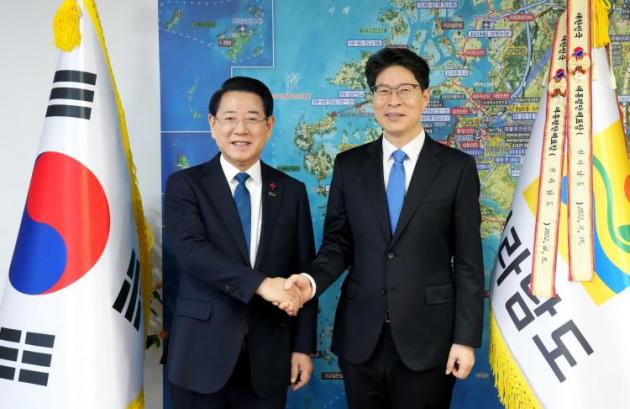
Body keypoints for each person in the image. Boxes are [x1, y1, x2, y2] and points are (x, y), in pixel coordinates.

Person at [284, 47, 484, 408]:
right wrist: (310, 282)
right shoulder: (349, 166)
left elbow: (469, 261)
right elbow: (339, 244)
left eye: (405, 90)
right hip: (361, 336)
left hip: (430, 338)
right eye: (383, 91)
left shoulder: (457, 168)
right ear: (373, 98)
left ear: (425, 96)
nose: (393, 101)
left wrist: (465, 339)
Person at [164, 76, 317, 409]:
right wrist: (262, 284)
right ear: (212, 124)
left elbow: (304, 270)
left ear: (269, 125)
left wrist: (302, 347)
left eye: (252, 118)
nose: (240, 129)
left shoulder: (291, 191)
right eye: (230, 118)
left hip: (269, 358)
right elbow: (192, 253)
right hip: (200, 356)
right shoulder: (185, 185)